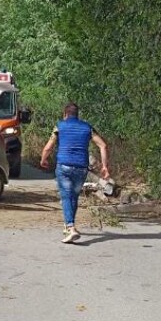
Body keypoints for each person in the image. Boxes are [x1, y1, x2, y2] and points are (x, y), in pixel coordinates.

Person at [39, 102, 111, 244]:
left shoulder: (60, 126)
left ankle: (71, 227)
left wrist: (43, 159)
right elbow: (103, 145)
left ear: (65, 114)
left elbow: (49, 147)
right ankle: (68, 226)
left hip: (64, 166)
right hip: (81, 168)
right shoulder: (87, 127)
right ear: (77, 115)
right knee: (73, 196)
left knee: (66, 196)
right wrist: (105, 167)